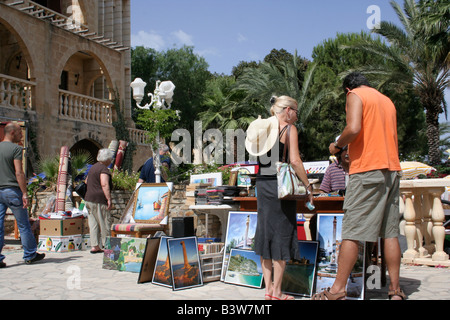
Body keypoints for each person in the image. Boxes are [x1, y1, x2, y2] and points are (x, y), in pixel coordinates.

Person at [312, 72, 405, 300]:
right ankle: (395, 291)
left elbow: (353, 129)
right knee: (390, 233)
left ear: (347, 89)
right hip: (391, 170)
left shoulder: (355, 95)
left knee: (352, 232)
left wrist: (336, 145)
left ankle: (337, 290)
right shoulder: (386, 100)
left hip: (367, 170)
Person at [245, 96, 313, 300]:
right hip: (280, 187)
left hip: (262, 185)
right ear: (288, 110)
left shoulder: (263, 128)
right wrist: (308, 186)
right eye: (296, 111)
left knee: (266, 234)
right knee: (282, 235)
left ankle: (268, 290)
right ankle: (278, 291)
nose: (296, 116)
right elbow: (295, 160)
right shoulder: (289, 129)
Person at [0, 122, 45, 267]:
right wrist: (24, 193)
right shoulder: (16, 149)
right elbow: (19, 172)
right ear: (12, 132)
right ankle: (30, 254)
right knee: (23, 225)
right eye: (20, 132)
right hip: (12, 190)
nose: (21, 135)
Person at [85, 148, 114, 254]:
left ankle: (95, 246)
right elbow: (104, 184)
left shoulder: (93, 167)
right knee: (104, 222)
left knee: (93, 223)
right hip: (99, 199)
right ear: (107, 159)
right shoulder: (103, 169)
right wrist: (109, 199)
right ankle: (107, 246)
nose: (111, 160)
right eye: (110, 158)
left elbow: (86, 181)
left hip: (89, 198)